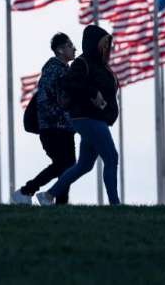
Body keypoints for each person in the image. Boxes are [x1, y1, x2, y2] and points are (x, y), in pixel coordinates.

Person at [37, 25, 120, 206]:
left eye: (109, 45)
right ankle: (115, 205)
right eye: (104, 44)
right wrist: (93, 93)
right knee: (112, 158)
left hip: (94, 119)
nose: (108, 48)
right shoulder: (82, 63)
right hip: (88, 118)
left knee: (84, 165)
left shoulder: (102, 66)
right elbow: (70, 83)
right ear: (94, 44)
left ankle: (48, 195)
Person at [13, 33, 77, 205]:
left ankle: (60, 203)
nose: (74, 48)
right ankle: (26, 192)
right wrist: (60, 117)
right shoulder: (53, 69)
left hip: (65, 127)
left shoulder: (65, 70)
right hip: (52, 127)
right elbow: (44, 99)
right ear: (60, 50)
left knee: (68, 165)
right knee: (62, 164)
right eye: (70, 45)